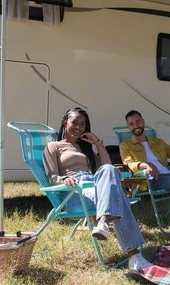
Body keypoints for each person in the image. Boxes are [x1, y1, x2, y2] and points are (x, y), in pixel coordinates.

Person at [43, 107, 152, 271]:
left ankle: (103, 222)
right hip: (74, 192)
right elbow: (51, 177)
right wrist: (64, 179)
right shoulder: (53, 146)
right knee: (119, 197)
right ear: (65, 122)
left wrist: (98, 143)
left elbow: (107, 167)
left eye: (83, 124)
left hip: (95, 186)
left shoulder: (84, 148)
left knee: (110, 170)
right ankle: (135, 257)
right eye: (75, 122)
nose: (79, 126)